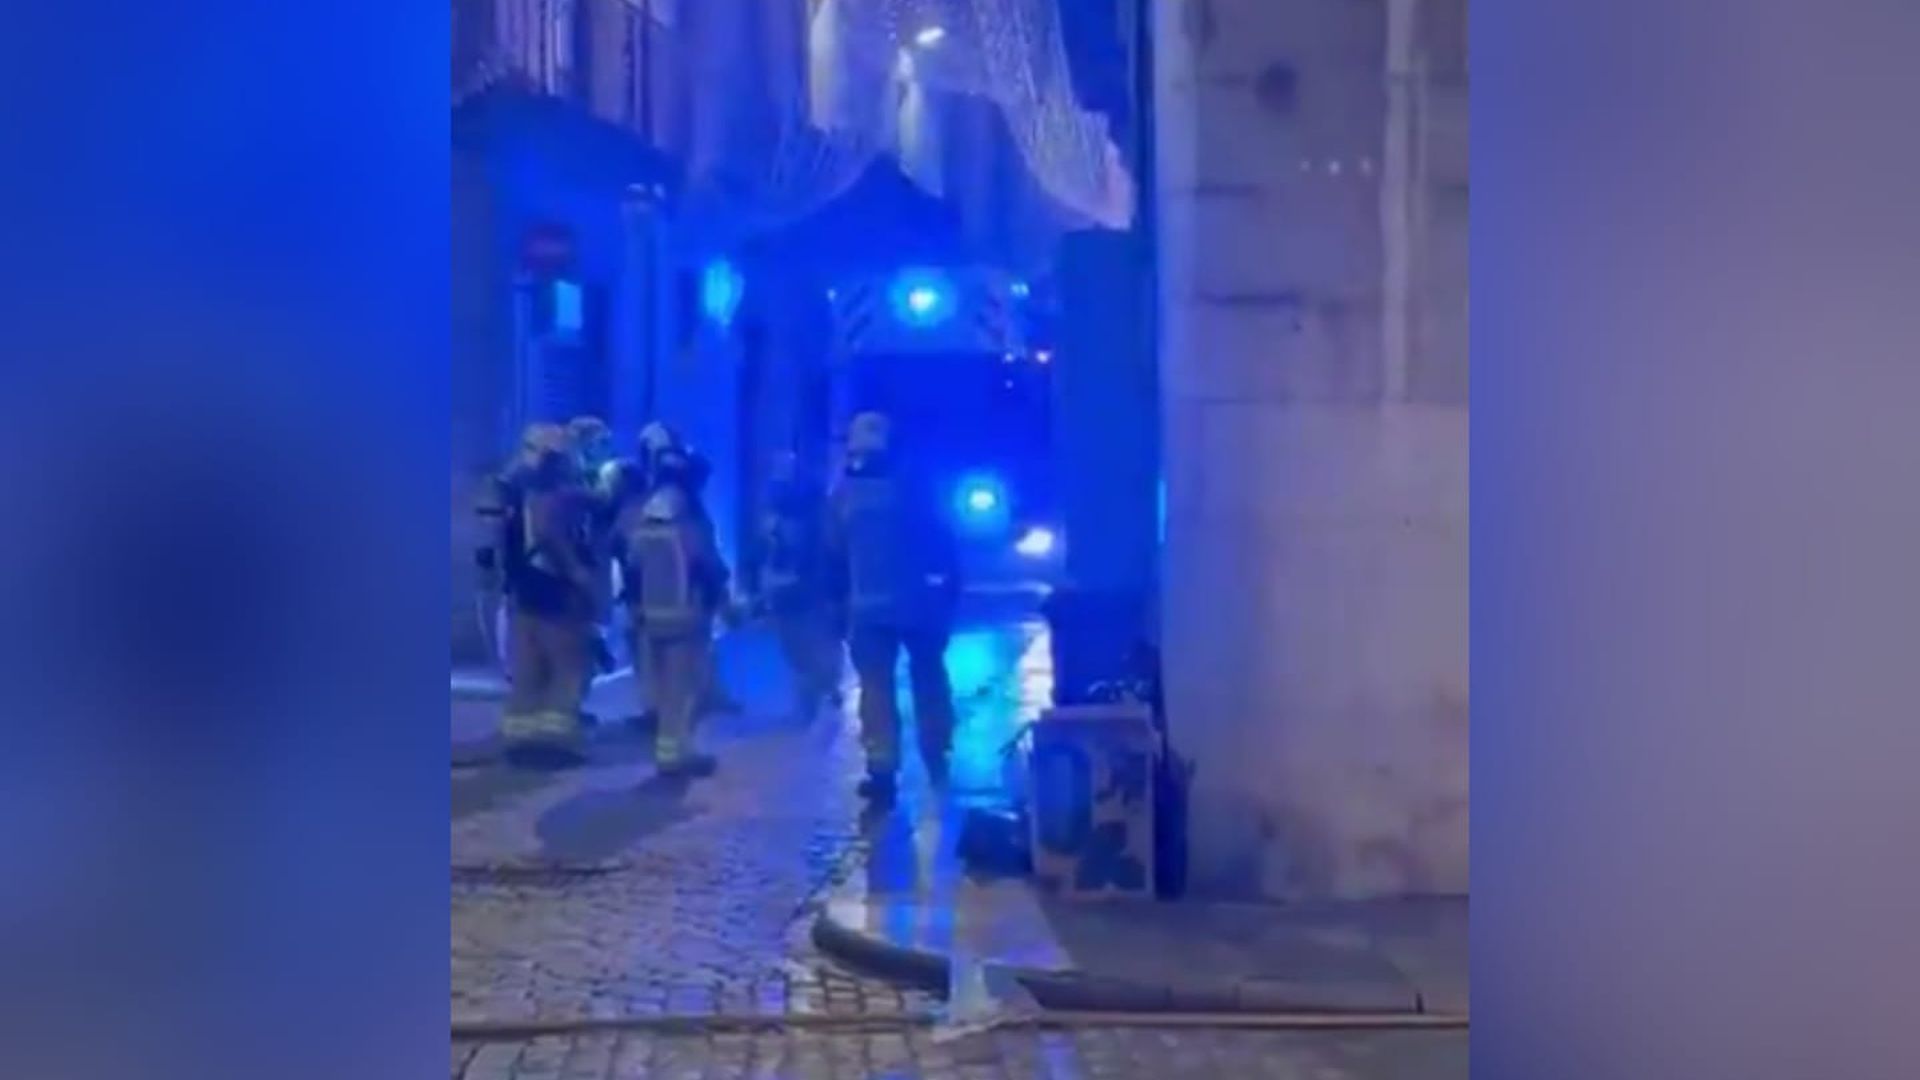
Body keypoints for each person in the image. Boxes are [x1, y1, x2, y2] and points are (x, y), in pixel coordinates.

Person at [824, 411, 961, 805]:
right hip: (919, 606)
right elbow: (941, 540)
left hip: (868, 611)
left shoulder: (844, 494)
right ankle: (937, 750)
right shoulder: (913, 486)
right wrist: (948, 589)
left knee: (876, 690)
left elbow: (832, 553)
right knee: (928, 678)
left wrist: (837, 604)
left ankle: (882, 768)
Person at [611, 446, 729, 778]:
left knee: (662, 684)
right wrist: (722, 601)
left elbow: (632, 567)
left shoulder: (644, 520)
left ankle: (669, 748)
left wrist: (636, 608)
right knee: (684, 687)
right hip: (687, 617)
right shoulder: (690, 521)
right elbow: (708, 567)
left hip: (652, 618)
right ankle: (676, 752)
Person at [489, 422, 602, 764]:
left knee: (528, 670)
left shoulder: (511, 487)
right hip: (555, 589)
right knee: (567, 666)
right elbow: (549, 532)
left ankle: (520, 742)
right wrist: (577, 573)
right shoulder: (549, 490)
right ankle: (556, 744)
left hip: (523, 589)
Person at [753, 450, 839, 723]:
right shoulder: (786, 511)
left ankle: (816, 693)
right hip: (791, 588)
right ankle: (820, 687)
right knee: (799, 645)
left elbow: (814, 548)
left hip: (802, 587)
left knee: (805, 643)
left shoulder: (808, 515)